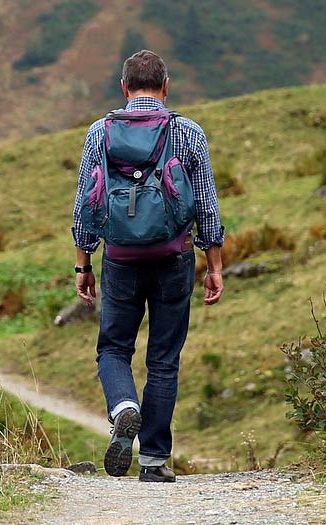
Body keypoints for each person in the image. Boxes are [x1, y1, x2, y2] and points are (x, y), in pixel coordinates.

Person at [71, 50, 225, 482]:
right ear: (166, 86)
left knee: (114, 348)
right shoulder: (188, 132)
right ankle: (154, 461)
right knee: (163, 359)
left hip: (119, 259)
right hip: (174, 258)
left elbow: (86, 203)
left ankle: (124, 407)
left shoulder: (99, 133)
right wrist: (214, 264)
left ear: (124, 88)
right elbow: (207, 207)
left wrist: (83, 263)